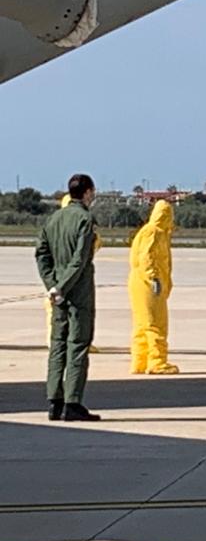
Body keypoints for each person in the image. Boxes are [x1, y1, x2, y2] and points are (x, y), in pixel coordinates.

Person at [35, 174, 100, 421]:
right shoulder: (85, 219)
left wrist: (51, 284)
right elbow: (80, 259)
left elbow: (41, 253)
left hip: (58, 294)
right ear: (86, 192)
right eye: (92, 191)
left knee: (57, 345)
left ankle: (54, 400)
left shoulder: (53, 219)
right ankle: (73, 402)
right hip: (77, 292)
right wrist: (62, 286)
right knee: (78, 345)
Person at [45, 194, 101, 353]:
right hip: (67, 277)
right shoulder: (78, 222)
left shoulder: (56, 222)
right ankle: (62, 344)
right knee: (65, 315)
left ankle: (62, 344)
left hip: (59, 277)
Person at [128, 199, 178, 375]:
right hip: (148, 284)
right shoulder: (154, 232)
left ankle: (140, 361)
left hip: (139, 281)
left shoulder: (149, 231)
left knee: (142, 324)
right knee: (156, 323)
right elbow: (147, 257)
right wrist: (154, 278)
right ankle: (157, 361)